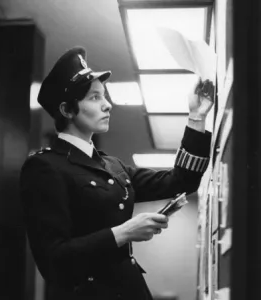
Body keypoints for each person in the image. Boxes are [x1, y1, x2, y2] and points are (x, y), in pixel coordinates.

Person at [20, 46, 213, 300]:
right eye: (94, 98)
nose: (107, 105)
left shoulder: (113, 165)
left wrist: (196, 117)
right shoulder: (45, 167)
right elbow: (53, 261)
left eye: (105, 96)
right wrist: (124, 232)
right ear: (67, 110)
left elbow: (181, 181)